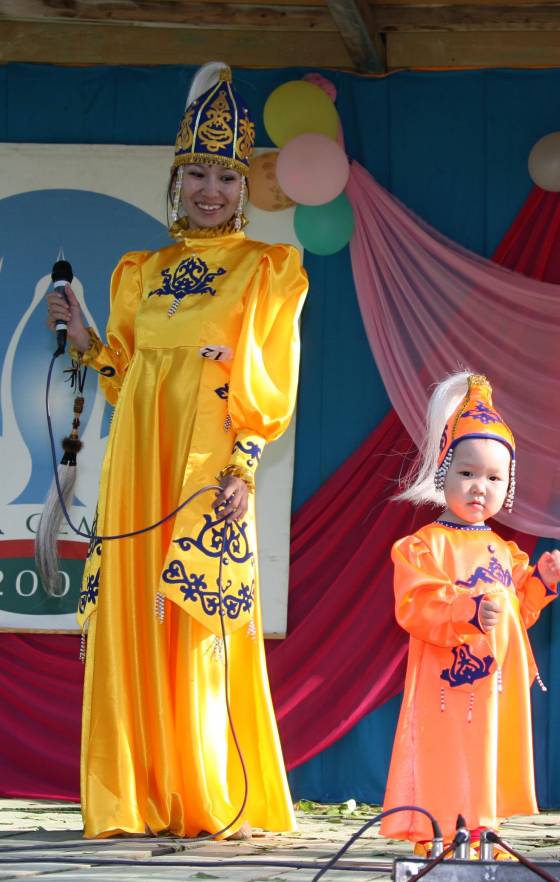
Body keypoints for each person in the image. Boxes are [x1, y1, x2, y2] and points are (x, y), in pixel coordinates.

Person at [46, 62, 308, 839]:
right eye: (196, 173)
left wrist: (244, 465)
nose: (209, 190)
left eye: (225, 176)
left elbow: (267, 378)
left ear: (244, 186)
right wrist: (87, 338)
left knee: (196, 619)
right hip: (138, 465)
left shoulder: (265, 270)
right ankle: (138, 795)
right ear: (175, 179)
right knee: (135, 613)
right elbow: (126, 377)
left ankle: (203, 793)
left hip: (207, 465)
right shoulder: (140, 272)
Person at [380, 371, 560, 853]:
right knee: (446, 749)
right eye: (467, 474)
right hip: (446, 677)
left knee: (487, 749)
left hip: (495, 681)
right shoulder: (423, 545)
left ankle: (483, 827)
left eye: (493, 478)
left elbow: (520, 614)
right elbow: (416, 604)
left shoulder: (505, 551)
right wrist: (468, 610)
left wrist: (541, 582)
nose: (479, 488)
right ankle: (439, 830)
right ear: (443, 473)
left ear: (509, 485)